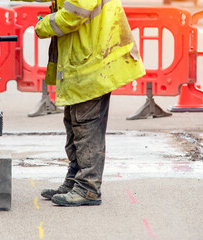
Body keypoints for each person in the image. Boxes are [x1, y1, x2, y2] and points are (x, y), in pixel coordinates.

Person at [35, 0, 146, 206]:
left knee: (85, 125)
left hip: (95, 61)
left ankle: (88, 187)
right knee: (74, 123)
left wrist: (44, 26)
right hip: (86, 59)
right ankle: (75, 180)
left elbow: (74, 13)